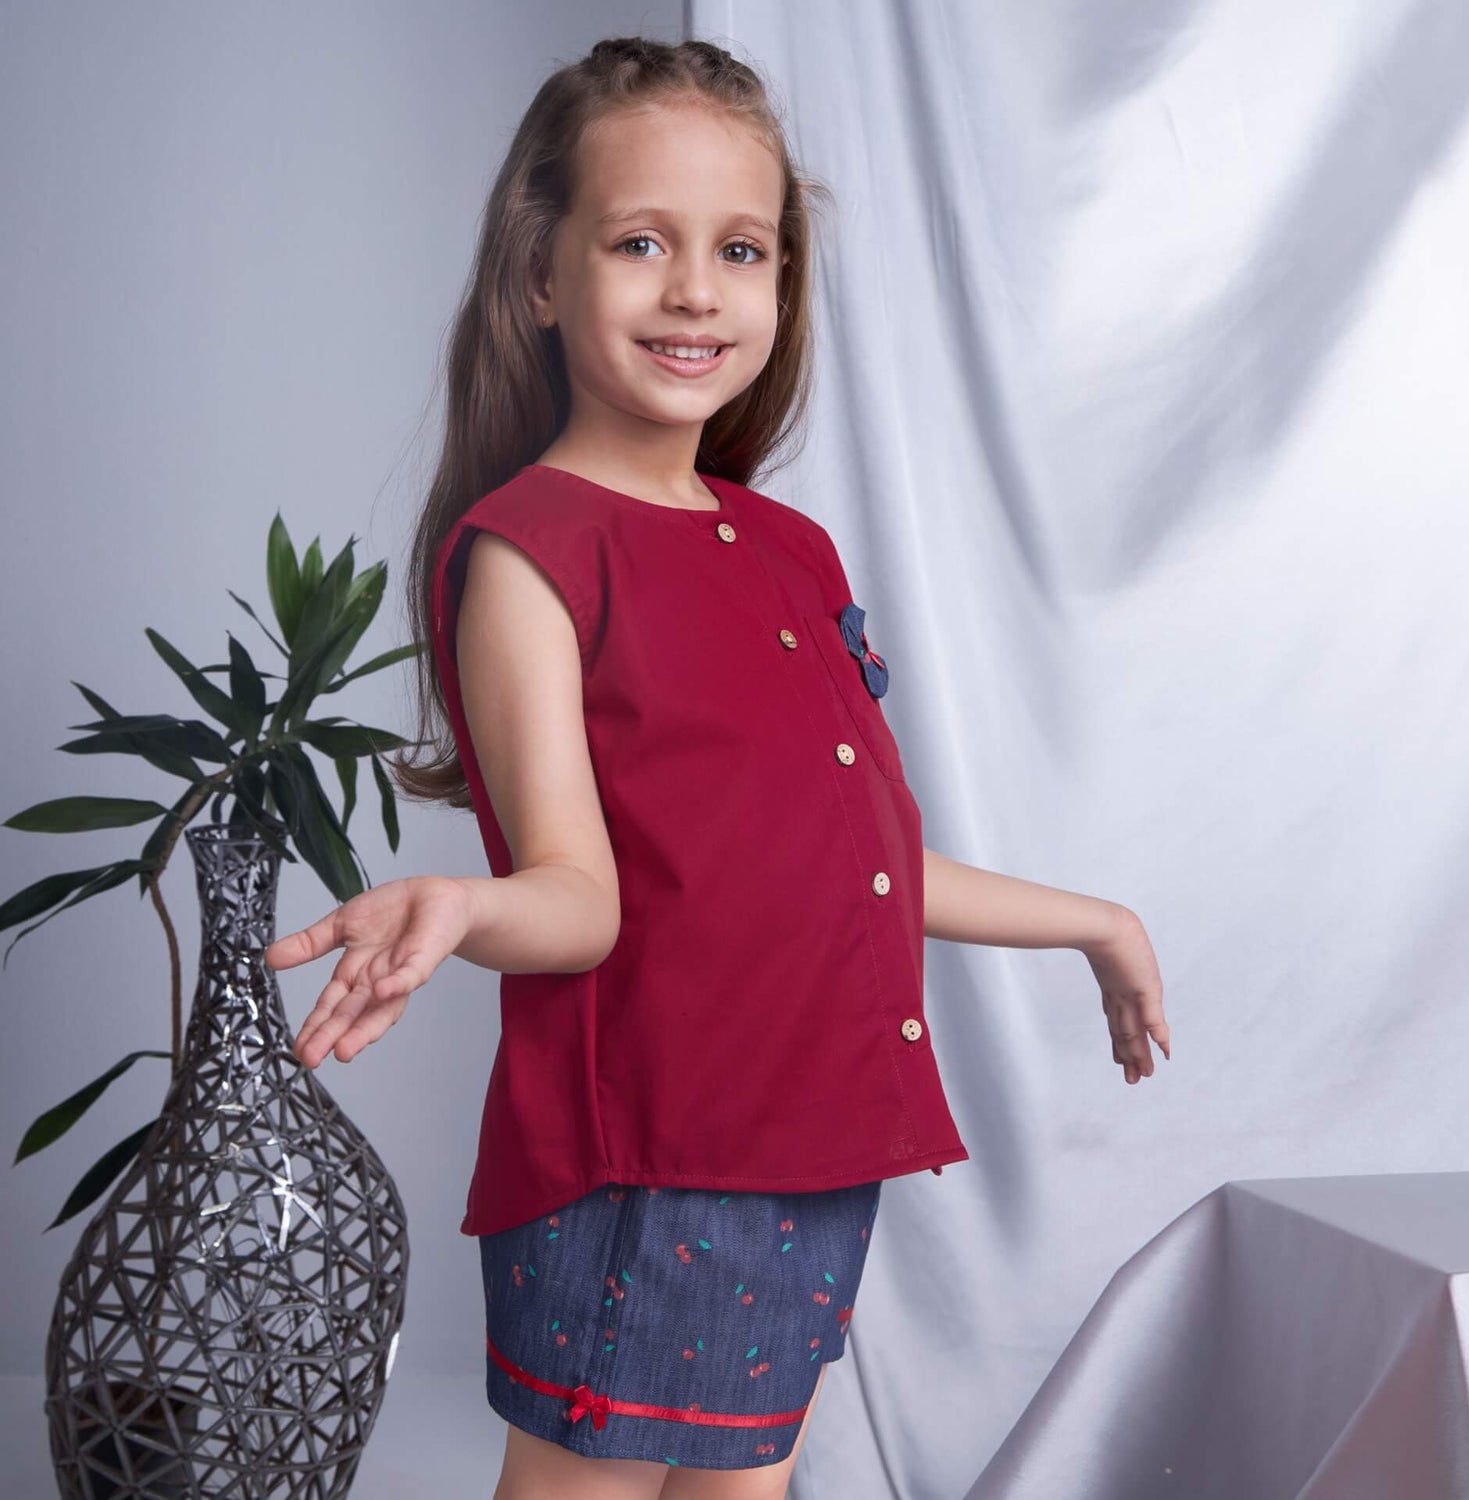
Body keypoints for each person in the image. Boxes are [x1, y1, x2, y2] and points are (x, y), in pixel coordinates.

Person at [263, 34, 1169, 1500]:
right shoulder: (528, 553)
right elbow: (579, 896)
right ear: (541, 277)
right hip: (652, 1160)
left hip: (814, 1149)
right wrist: (462, 908)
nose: (696, 288)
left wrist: (1097, 920)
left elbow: (850, 867)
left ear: (781, 285)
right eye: (640, 242)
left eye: (741, 249)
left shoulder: (791, 549)